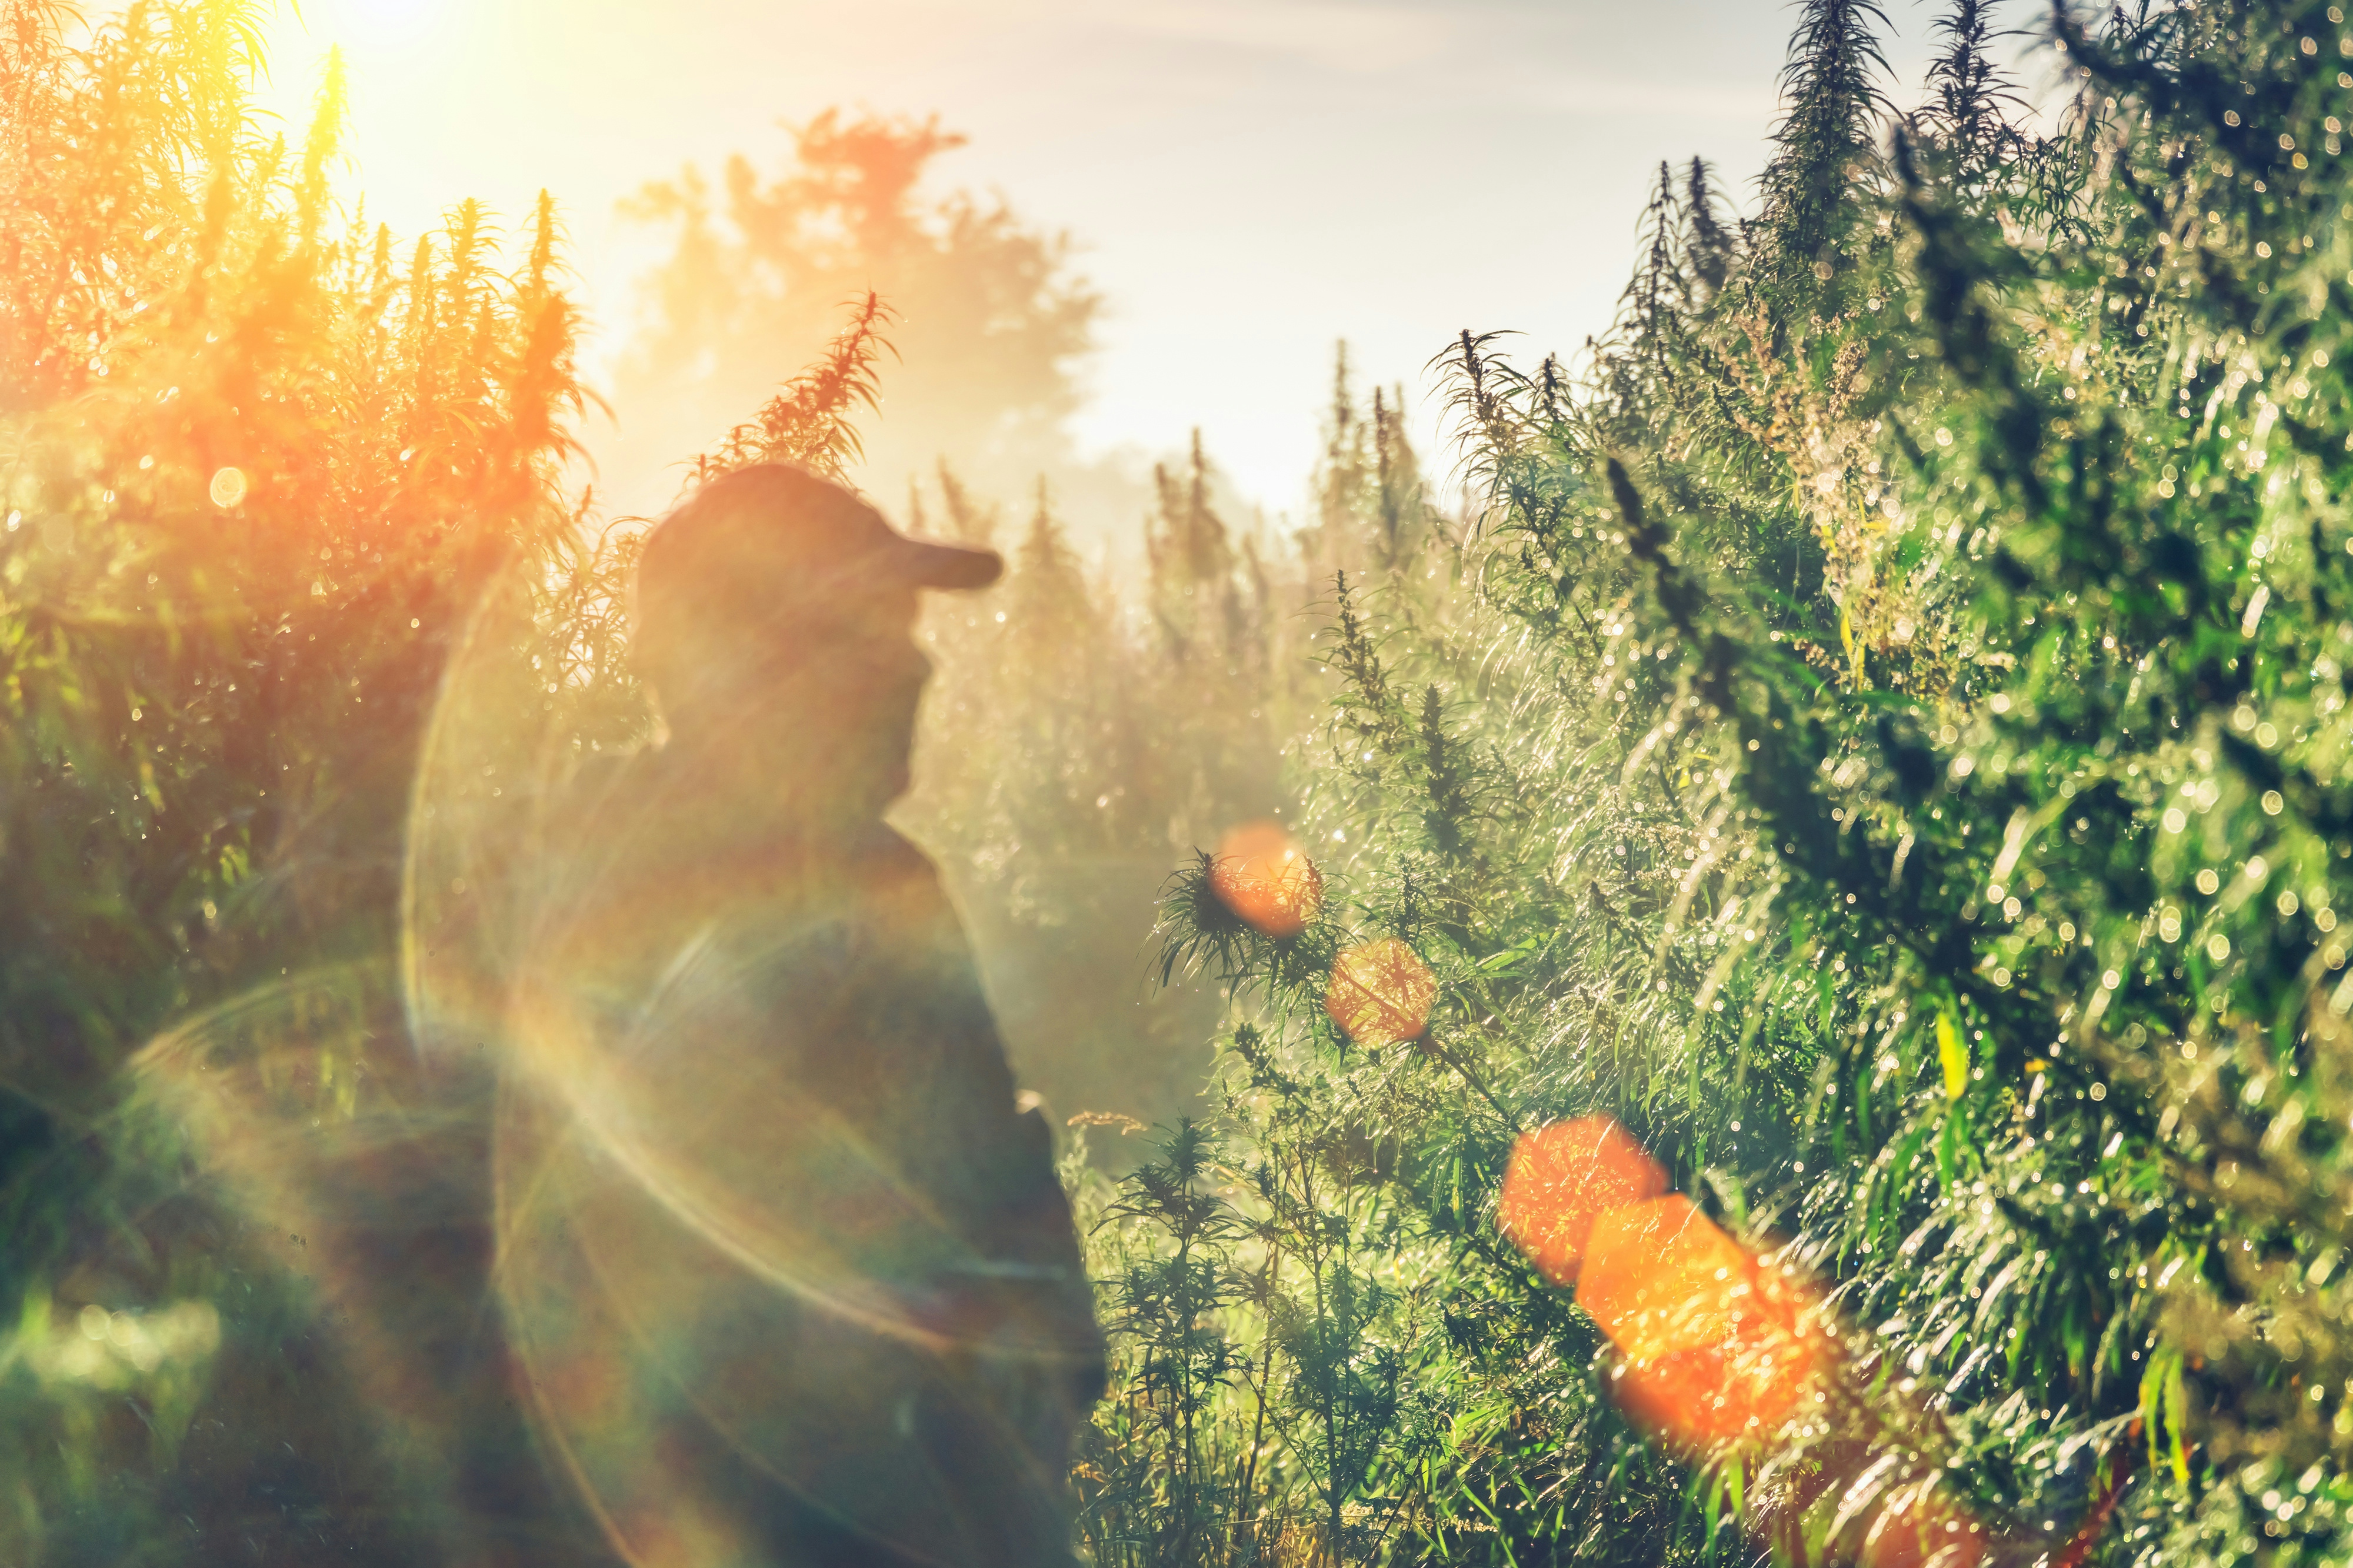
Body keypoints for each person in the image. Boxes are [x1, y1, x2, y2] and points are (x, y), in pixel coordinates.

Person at [494, 463, 1106, 1568]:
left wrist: (1027, 1339)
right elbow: (623, 1295)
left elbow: (998, 1197)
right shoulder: (607, 889)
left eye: (907, 627)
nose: (917, 662)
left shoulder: (885, 885)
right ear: (746, 658)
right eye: (866, 628)